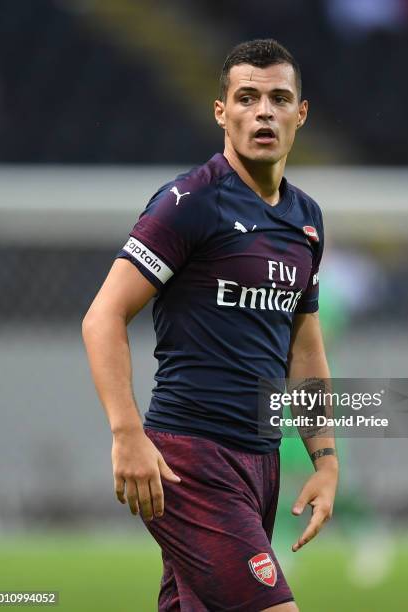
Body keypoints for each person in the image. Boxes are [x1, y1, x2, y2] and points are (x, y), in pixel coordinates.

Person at [82, 39, 338, 611]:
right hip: (190, 458)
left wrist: (325, 458)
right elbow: (103, 316)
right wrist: (127, 434)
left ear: (301, 113)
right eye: (247, 97)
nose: (263, 111)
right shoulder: (190, 203)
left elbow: (305, 347)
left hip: (260, 460)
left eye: (279, 98)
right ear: (221, 111)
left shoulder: (306, 220)